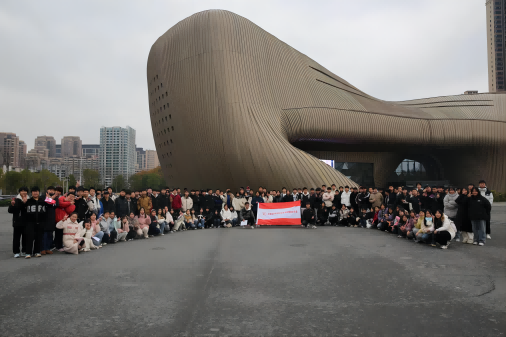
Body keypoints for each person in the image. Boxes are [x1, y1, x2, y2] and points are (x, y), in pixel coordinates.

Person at [23, 186, 54, 258]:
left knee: (38, 237)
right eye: (34, 191)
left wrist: (49, 198)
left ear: (39, 192)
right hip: (30, 222)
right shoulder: (28, 201)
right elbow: (23, 210)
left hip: (41, 222)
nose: (35, 193)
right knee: (30, 238)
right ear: (31, 193)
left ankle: (37, 251)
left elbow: (51, 205)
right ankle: (28, 253)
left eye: (36, 191)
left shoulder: (43, 201)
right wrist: (24, 203)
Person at [9, 187, 29, 258]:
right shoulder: (16, 200)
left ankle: (24, 251)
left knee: (25, 238)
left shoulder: (29, 200)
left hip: (26, 222)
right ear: (19, 192)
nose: (23, 192)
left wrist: (25, 203)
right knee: (16, 238)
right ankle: (16, 252)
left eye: (25, 191)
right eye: (22, 191)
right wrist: (12, 205)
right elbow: (10, 211)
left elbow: (27, 210)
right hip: (17, 222)